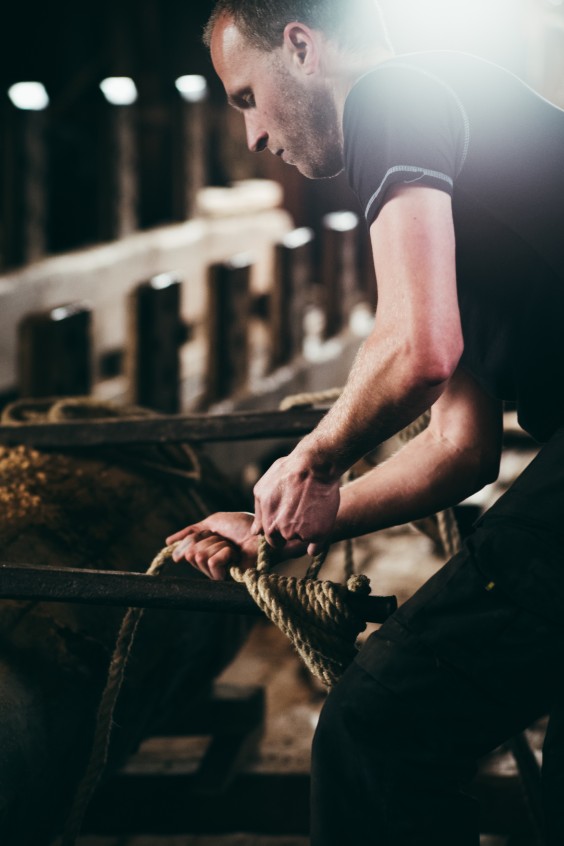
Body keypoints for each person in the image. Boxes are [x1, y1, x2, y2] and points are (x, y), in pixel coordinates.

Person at [167, 2, 564, 843]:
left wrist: (312, 459)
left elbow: (418, 346)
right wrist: (286, 531)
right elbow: (461, 447)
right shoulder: (468, 168)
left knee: (382, 728)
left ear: (302, 48)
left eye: (245, 98)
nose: (252, 138)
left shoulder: (394, 92)